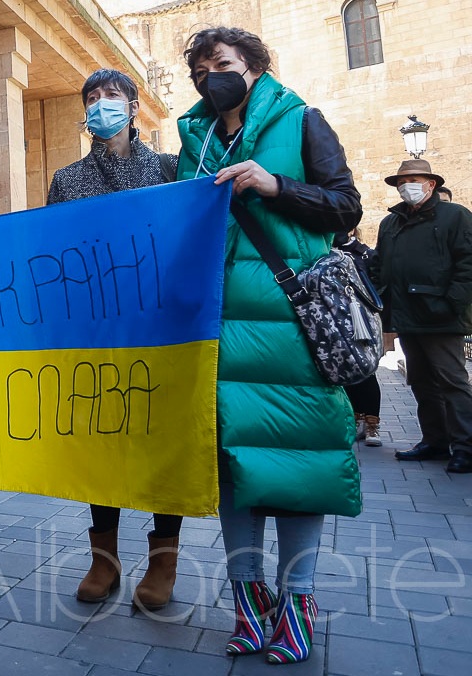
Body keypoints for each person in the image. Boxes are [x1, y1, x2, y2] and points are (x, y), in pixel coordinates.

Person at [179, 27, 362, 664]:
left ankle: (298, 602)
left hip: (289, 325)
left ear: (254, 68)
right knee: (234, 466)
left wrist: (275, 185)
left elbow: (346, 207)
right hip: (220, 327)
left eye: (223, 64)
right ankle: (247, 604)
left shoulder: (301, 119)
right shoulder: (194, 140)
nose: (211, 76)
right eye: (201, 69)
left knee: (297, 463)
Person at [46, 68, 182, 611]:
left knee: (162, 445)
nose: (102, 104)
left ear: (133, 107)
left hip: (162, 332)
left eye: (112, 96)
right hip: (97, 333)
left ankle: (164, 559)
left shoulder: (171, 169)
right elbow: (54, 254)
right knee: (103, 445)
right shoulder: (67, 179)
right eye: (93, 97)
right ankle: (103, 559)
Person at [375, 160, 472, 474]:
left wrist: (451, 303)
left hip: (441, 315)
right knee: (420, 381)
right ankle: (435, 440)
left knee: (453, 382)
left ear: (431, 184)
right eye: (402, 182)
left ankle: (466, 447)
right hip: (407, 314)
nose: (407, 186)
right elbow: (381, 265)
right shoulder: (391, 223)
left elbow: (467, 264)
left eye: (414, 179)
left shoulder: (454, 216)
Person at [335, 228, 382, 447]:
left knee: (366, 369)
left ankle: (372, 424)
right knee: (346, 370)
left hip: (360, 319)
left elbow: (379, 285)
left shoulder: (364, 254)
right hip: (333, 320)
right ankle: (355, 418)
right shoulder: (322, 251)